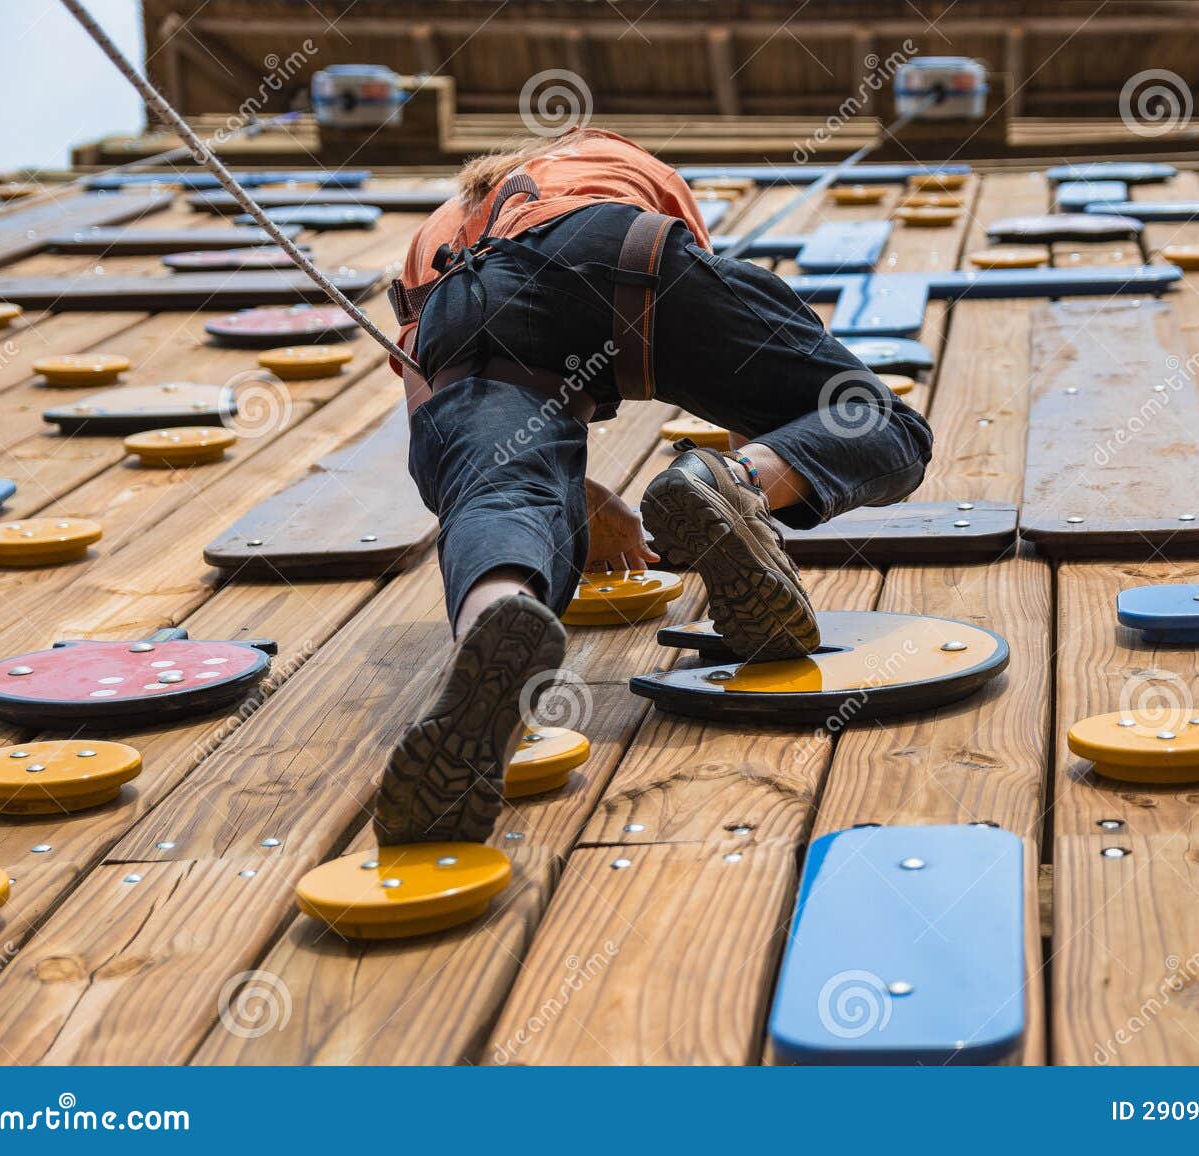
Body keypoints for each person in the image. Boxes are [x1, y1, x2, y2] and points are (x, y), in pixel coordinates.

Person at [376, 127, 933, 846]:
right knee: (879, 424)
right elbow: (723, 339)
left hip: (464, 306)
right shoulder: (600, 154)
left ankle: (494, 614)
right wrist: (744, 481)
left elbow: (447, 444)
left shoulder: (434, 241)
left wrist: (574, 495)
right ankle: (738, 484)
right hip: (619, 254)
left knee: (498, 497)